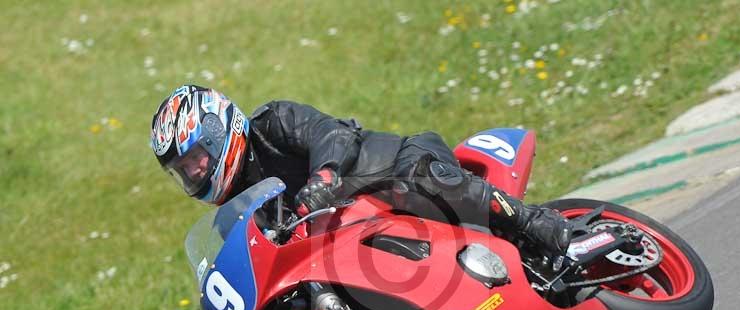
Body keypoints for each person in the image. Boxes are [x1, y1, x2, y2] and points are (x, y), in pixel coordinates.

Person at [150, 84, 571, 255]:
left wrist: (324, 177)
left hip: (395, 168)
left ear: (215, 129)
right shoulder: (238, 211)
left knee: (422, 179)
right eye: (184, 169)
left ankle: (534, 221)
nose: (196, 171)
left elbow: (329, 134)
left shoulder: (274, 123)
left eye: (195, 156)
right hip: (361, 234)